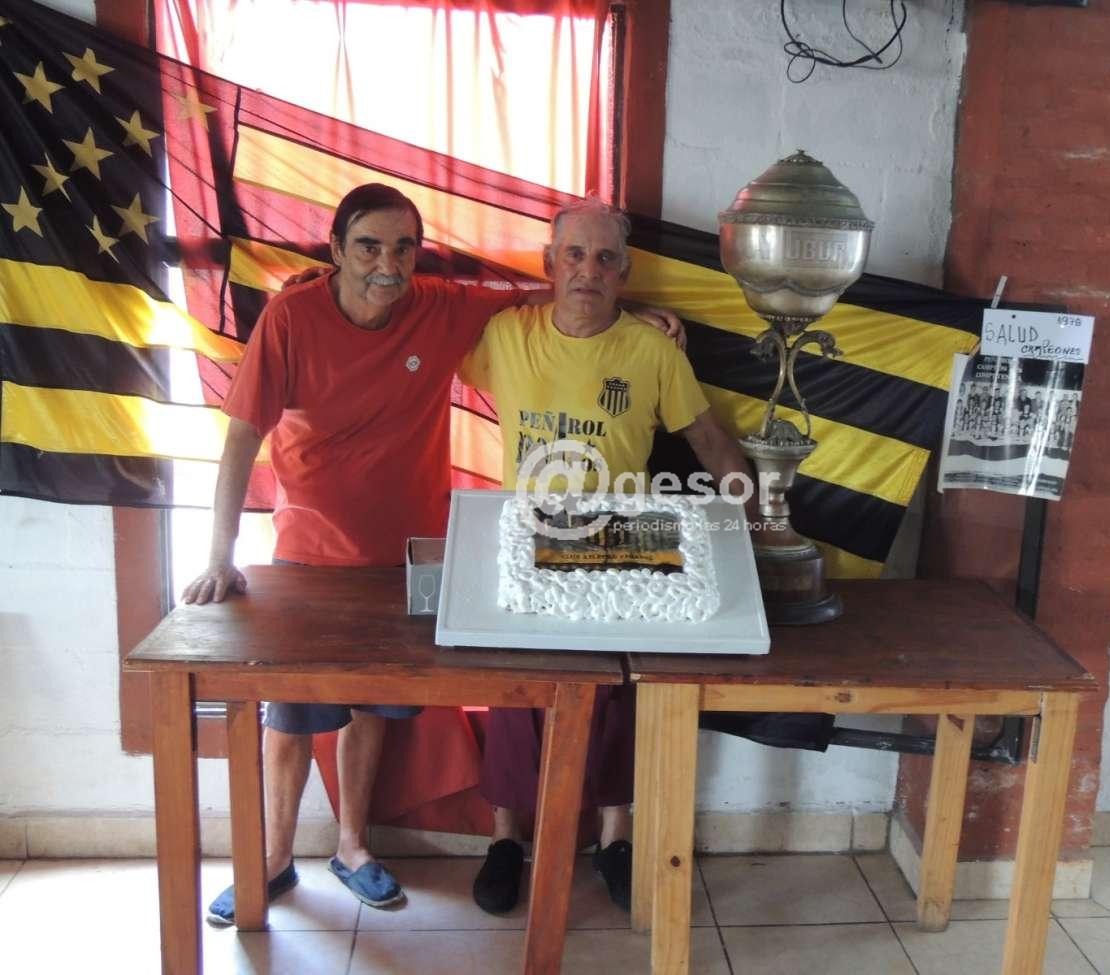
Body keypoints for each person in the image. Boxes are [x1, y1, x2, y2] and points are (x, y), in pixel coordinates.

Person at [187, 184, 681, 926]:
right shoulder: (292, 317)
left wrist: (627, 312)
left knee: (372, 706)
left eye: (403, 248)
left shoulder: (438, 307)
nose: (387, 265)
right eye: (368, 247)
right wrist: (218, 554)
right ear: (336, 250)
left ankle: (353, 847)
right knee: (290, 711)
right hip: (310, 557)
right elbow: (240, 438)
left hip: (410, 554)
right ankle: (271, 859)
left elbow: (548, 291)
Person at [458, 197, 754, 916]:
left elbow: (708, 440)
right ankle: (506, 839)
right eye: (574, 256)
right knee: (516, 688)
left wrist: (759, 521)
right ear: (549, 264)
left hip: (622, 538)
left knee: (621, 691)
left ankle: (616, 839)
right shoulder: (505, 335)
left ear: (625, 271)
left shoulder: (653, 351)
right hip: (528, 537)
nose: (587, 271)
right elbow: (430, 321)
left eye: (604, 259)